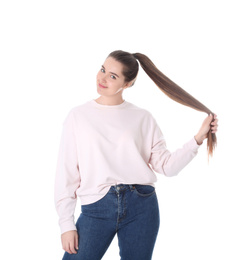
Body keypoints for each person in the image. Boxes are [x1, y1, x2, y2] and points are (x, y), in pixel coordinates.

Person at [54, 50, 218, 260]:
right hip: (97, 207)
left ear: (128, 84)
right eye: (103, 69)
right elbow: (66, 174)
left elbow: (167, 166)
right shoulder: (78, 116)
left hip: (141, 206)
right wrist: (66, 223)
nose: (102, 78)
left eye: (113, 76)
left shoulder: (142, 118)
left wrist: (197, 139)